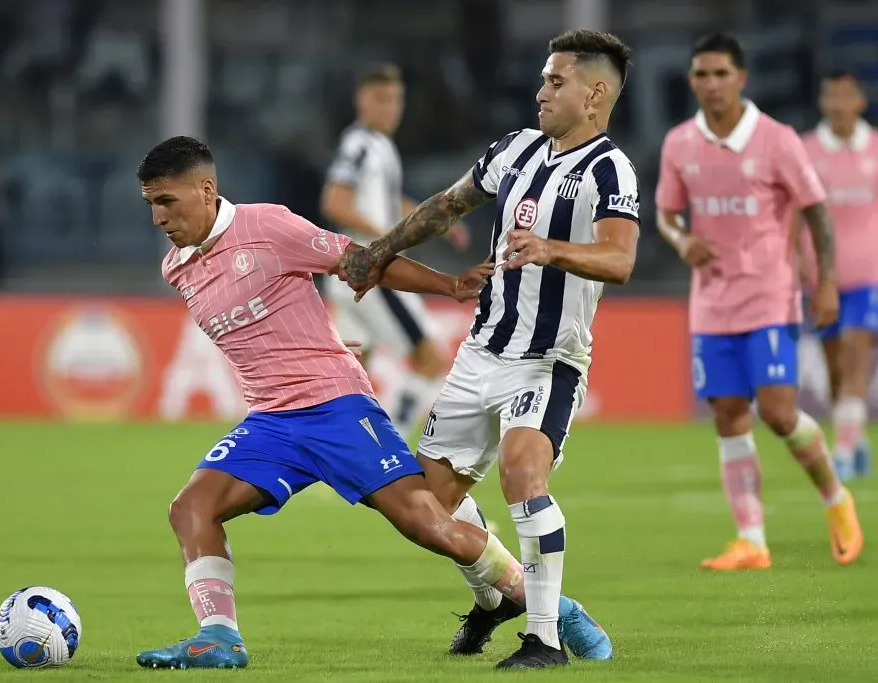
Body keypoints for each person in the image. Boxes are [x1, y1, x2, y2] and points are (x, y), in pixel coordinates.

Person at [131, 136, 604, 670]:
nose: (158, 217)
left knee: (427, 523)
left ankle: (554, 607)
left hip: (336, 408)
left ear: (207, 189)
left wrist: (448, 286)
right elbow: (259, 328)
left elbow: (357, 263)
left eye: (167, 201)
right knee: (191, 508)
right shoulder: (179, 267)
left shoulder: (267, 226)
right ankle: (219, 636)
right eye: (151, 204)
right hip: (270, 423)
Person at [335, 29, 636, 670]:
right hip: (480, 357)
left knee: (524, 474)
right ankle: (497, 593)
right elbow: (447, 207)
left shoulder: (610, 169)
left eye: (556, 82)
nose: (541, 93)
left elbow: (621, 258)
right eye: (543, 79)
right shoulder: (517, 150)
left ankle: (545, 640)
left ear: (596, 93)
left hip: (550, 358)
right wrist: (379, 253)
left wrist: (553, 249)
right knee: (424, 506)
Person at [655, 33, 864, 570]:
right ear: (692, 80)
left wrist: (824, 283)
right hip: (712, 303)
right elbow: (666, 213)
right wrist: (682, 241)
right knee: (727, 413)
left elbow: (816, 210)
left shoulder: (776, 139)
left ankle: (835, 499)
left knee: (777, 412)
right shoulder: (680, 143)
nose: (712, 83)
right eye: (702, 74)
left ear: (741, 78)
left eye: (722, 73)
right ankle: (752, 539)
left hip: (770, 296)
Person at [320, 63, 469, 438]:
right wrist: (389, 237)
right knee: (430, 358)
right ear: (361, 101)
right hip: (373, 269)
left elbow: (384, 201)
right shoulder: (358, 145)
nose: (390, 108)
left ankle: (341, 453)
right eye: (381, 99)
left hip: (350, 271)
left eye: (396, 100)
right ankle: (393, 446)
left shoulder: (380, 147)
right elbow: (335, 201)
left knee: (355, 376)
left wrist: (434, 217)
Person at [799, 70, 878, 481]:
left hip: (869, 277)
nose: (839, 104)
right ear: (823, 103)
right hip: (822, 280)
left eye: (847, 96)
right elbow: (794, 213)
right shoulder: (807, 152)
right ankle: (856, 436)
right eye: (832, 96)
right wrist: (796, 260)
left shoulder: (876, 149)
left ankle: (843, 452)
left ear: (860, 102)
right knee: (835, 374)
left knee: (854, 358)